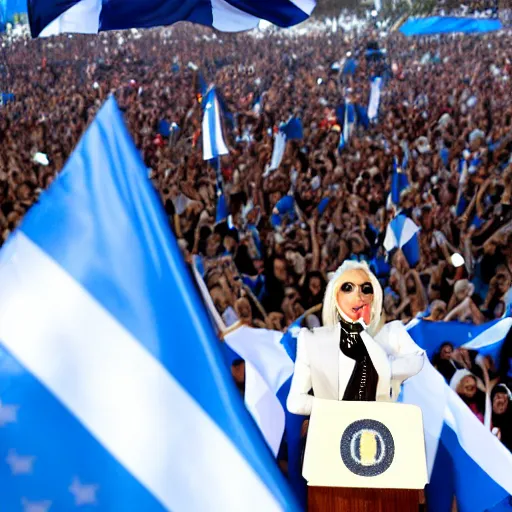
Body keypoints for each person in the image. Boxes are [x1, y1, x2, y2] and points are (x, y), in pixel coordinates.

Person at [286, 260, 425, 416]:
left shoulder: (392, 333)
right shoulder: (312, 340)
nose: (358, 296)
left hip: (382, 430)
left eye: (366, 289)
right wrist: (340, 409)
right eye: (348, 288)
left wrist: (381, 367)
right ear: (335, 295)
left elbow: (417, 361)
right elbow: (295, 402)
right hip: (335, 432)